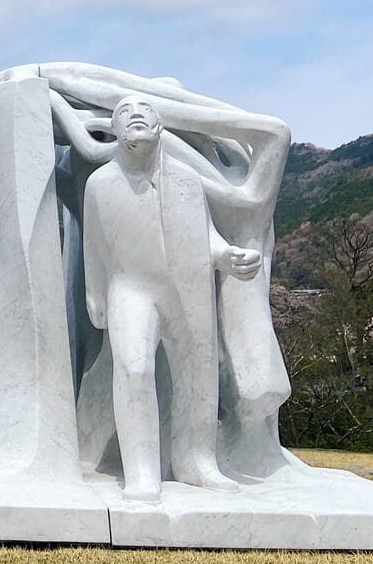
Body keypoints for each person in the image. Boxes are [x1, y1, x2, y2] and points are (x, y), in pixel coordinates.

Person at [83, 95, 251, 502]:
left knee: (198, 374)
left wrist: (225, 254)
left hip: (186, 287)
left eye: (145, 111)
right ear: (116, 130)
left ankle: (197, 462)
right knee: (134, 370)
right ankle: (141, 472)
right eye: (124, 112)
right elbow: (93, 245)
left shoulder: (186, 181)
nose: (135, 115)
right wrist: (94, 291)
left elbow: (203, 234)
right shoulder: (100, 184)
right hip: (129, 288)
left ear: (160, 128)